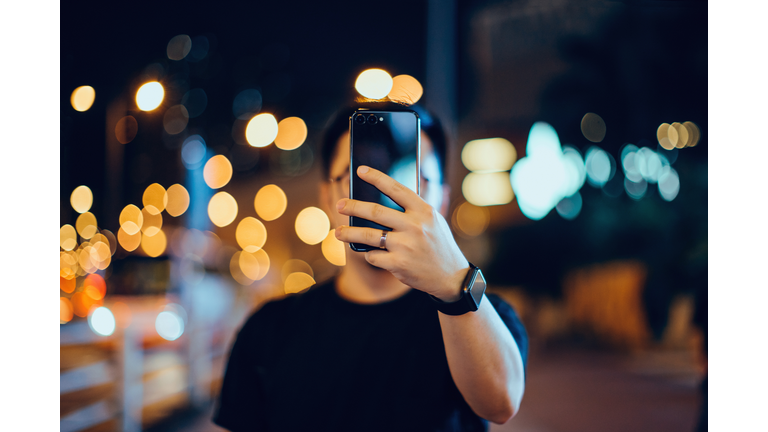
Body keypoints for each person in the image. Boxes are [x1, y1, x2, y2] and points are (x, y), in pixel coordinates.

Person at [213, 102, 528, 432]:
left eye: (411, 180)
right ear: (327, 196)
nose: (385, 199)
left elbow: (501, 404)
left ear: (442, 202)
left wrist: (455, 283)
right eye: (362, 178)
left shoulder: (479, 317)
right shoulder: (268, 330)